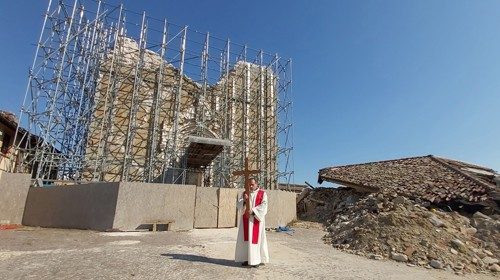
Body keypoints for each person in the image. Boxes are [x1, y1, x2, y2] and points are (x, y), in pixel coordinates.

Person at [234, 177, 269, 267]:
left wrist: (253, 211)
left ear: (257, 184)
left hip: (256, 220)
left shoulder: (262, 193)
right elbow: (238, 205)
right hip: (246, 220)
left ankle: (256, 260)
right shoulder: (245, 193)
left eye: (252, 184)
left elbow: (264, 206)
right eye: (249, 184)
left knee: (255, 240)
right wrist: (244, 201)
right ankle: (246, 259)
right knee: (246, 240)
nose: (250, 186)